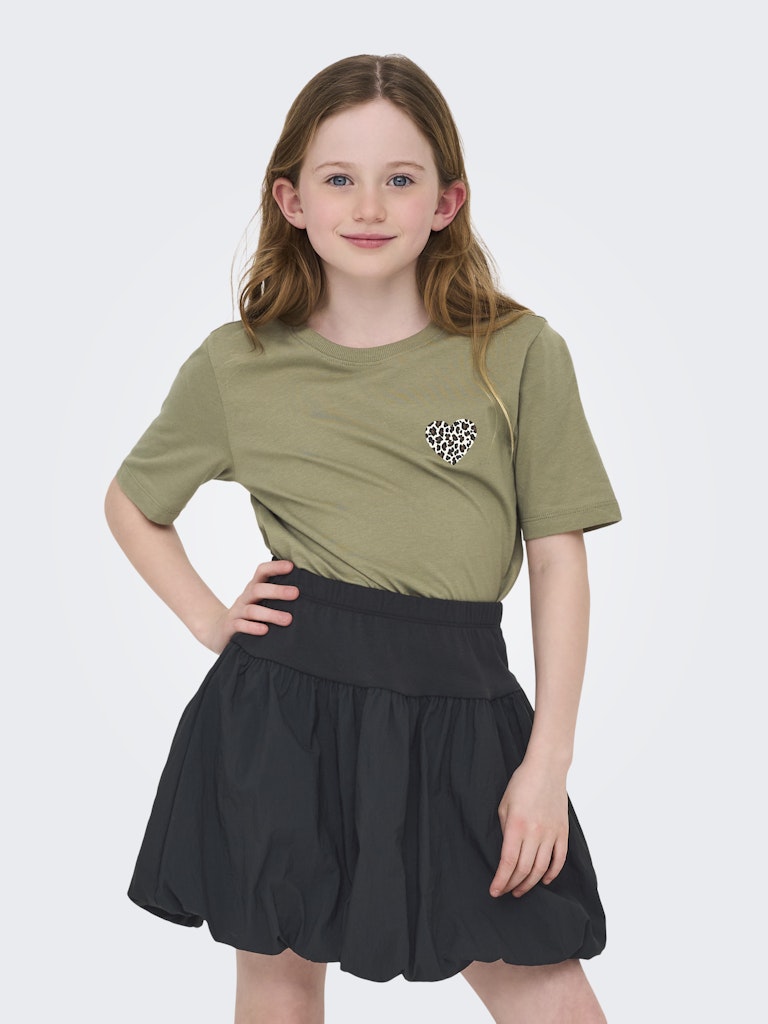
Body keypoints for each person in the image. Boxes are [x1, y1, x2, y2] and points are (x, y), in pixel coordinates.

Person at [104, 53, 621, 1024]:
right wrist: (211, 620)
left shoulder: (517, 353)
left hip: (463, 710)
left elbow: (559, 559)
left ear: (447, 201)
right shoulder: (238, 365)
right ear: (292, 200)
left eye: (401, 178)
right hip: (282, 714)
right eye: (339, 178)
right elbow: (134, 502)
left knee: (548, 988)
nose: (370, 206)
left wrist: (547, 762)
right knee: (279, 982)